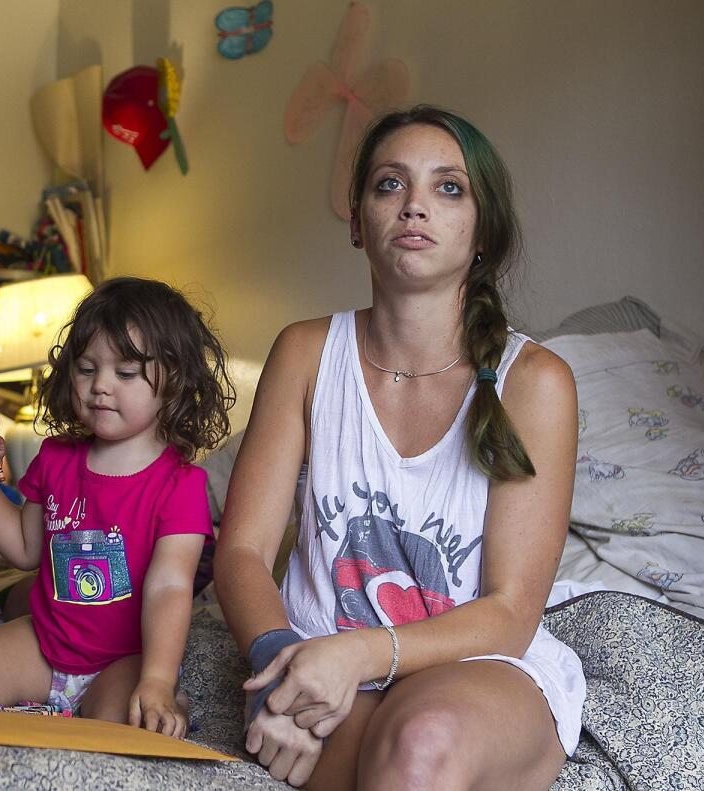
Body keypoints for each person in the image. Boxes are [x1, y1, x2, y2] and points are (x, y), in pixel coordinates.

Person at [213, 106, 585, 789]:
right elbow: (241, 551)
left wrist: (358, 653)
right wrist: (278, 664)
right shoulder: (304, 353)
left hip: (476, 664)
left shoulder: (537, 382)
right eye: (389, 184)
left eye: (449, 188)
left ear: (482, 232)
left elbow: (508, 611)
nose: (415, 205)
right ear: (357, 222)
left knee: (419, 744)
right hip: (319, 656)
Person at [0, 276, 234, 735]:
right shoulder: (54, 457)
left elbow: (171, 586)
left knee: (122, 725)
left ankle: (172, 698)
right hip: (46, 643)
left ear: (174, 381)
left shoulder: (182, 484)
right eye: (87, 369)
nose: (100, 387)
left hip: (124, 659)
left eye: (125, 373)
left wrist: (156, 679)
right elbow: (26, 550)